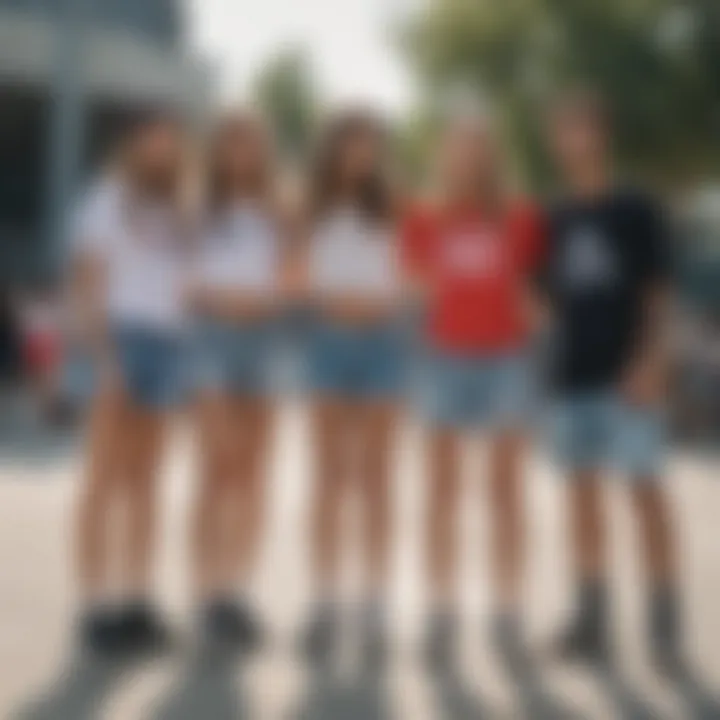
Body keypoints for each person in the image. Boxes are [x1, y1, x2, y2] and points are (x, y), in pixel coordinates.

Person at [541, 89, 684, 675]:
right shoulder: (552, 216)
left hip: (629, 374)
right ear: (556, 141)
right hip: (572, 372)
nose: (575, 139)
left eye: (585, 127)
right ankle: (591, 618)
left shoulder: (636, 207)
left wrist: (651, 358)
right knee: (582, 499)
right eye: (565, 129)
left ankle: (663, 622)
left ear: (603, 135)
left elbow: (659, 292)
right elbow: (542, 294)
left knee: (645, 494)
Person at [402, 108, 544, 668]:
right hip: (444, 357)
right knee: (441, 491)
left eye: (477, 145)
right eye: (457, 145)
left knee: (506, 493)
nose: (467, 155)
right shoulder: (422, 215)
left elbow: (532, 292)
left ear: (492, 154)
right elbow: (416, 285)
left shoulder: (521, 216)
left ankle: (507, 611)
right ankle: (441, 610)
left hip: (507, 358)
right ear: (443, 153)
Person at [71, 112, 191, 656]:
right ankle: (94, 604)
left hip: (168, 345)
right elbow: (87, 287)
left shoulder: (181, 208)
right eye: (152, 135)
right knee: (103, 480)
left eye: (170, 138)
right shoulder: (105, 200)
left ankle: (135, 599)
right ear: (133, 143)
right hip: (121, 339)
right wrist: (104, 361)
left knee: (146, 482)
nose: (161, 145)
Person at [299, 110, 403, 662]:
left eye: (372, 143)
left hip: (383, 345)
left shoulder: (395, 205)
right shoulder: (307, 207)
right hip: (327, 344)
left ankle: (375, 604)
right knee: (330, 478)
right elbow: (291, 276)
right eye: (353, 142)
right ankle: (323, 601)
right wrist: (328, 296)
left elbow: (414, 276)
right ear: (333, 147)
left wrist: (389, 299)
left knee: (376, 480)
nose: (363, 152)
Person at [188, 111, 287, 651]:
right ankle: (205, 594)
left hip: (264, 344)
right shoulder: (199, 211)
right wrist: (222, 297)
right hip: (213, 342)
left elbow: (294, 277)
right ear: (218, 150)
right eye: (232, 142)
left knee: (252, 478)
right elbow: (183, 282)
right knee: (217, 471)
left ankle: (236, 592)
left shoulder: (277, 212)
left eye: (252, 143)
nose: (242, 153)